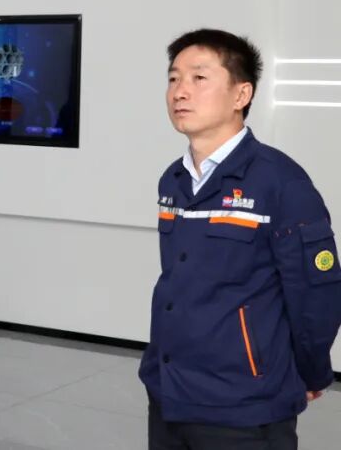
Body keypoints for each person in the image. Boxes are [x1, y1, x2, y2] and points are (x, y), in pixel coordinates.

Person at [141, 29, 341, 450]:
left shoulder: (281, 183)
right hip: (169, 394)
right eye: (174, 78)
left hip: (243, 407)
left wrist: (311, 371)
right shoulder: (173, 180)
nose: (180, 92)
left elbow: (316, 295)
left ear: (241, 94)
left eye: (199, 78)